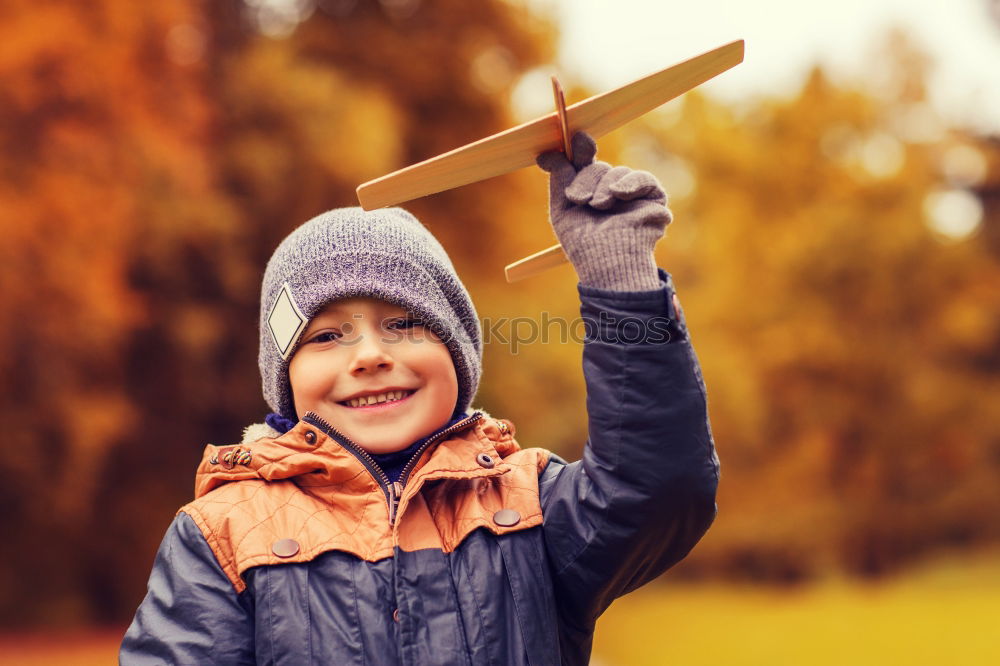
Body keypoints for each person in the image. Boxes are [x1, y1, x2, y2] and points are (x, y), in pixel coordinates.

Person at [120, 132, 719, 665]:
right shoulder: (223, 534)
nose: (370, 355)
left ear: (457, 354)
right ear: (286, 377)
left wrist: (623, 285)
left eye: (405, 324)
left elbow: (658, 487)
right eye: (327, 336)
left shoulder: (533, 507)